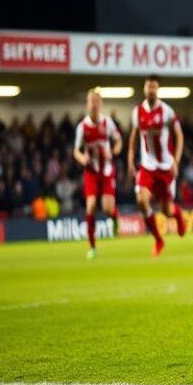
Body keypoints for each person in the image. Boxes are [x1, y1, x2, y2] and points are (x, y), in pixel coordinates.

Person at [127, 75, 186, 257]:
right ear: (144, 89)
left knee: (166, 211)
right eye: (148, 87)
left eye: (154, 87)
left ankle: (178, 216)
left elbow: (179, 136)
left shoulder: (167, 111)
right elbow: (134, 138)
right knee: (141, 201)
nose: (151, 90)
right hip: (147, 166)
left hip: (166, 167)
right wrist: (130, 160)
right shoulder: (137, 112)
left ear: (157, 89)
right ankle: (159, 240)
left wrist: (176, 161)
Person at [73, 88, 123, 258]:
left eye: (97, 101)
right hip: (91, 172)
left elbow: (118, 142)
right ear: (88, 104)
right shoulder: (82, 127)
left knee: (108, 209)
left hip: (107, 171)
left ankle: (115, 218)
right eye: (91, 101)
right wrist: (82, 159)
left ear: (101, 104)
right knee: (91, 206)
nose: (94, 104)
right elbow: (76, 151)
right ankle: (93, 247)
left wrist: (114, 152)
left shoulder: (107, 123)